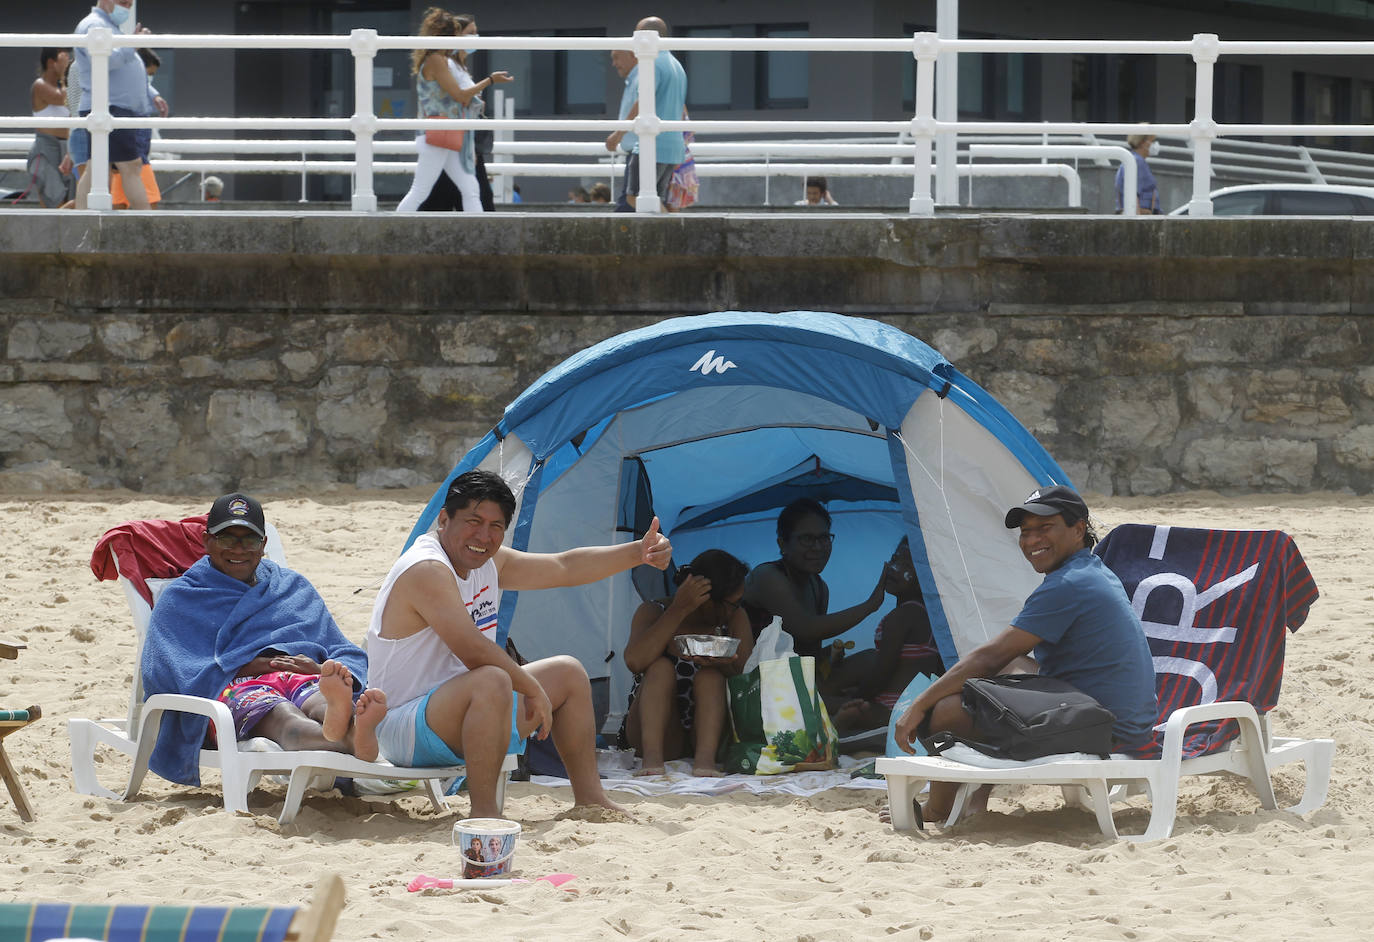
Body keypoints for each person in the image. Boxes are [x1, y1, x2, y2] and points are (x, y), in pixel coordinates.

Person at [366, 469, 672, 818]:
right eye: (473, 521)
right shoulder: (427, 569)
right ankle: (485, 815)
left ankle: (590, 800)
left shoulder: (487, 560)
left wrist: (639, 551)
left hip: (464, 709)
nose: (483, 535)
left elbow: (563, 567)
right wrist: (530, 687)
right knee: (492, 677)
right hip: (403, 727)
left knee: (568, 673)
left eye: (496, 526)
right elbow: (474, 650)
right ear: (444, 519)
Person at [890, 486, 1158, 825]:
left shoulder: (1068, 584)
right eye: (1026, 532)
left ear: (1078, 529)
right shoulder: (1089, 571)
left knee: (946, 710)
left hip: (1107, 728)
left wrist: (920, 705)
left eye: (1045, 529)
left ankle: (938, 810)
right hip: (1119, 715)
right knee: (1006, 673)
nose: (1032, 541)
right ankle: (977, 796)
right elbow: (1001, 659)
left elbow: (991, 654)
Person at [140, 493, 387, 787]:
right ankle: (354, 737)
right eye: (227, 539)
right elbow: (170, 668)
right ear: (207, 541)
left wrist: (322, 669)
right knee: (285, 718)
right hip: (235, 685)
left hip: (299, 675)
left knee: (320, 700)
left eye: (251, 540)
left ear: (264, 545)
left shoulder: (290, 586)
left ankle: (338, 716)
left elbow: (339, 646)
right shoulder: (182, 598)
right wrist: (252, 665)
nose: (239, 550)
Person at [618, 549, 754, 777]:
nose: (736, 608)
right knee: (660, 668)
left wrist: (721, 664)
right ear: (706, 600)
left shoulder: (734, 618)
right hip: (658, 732)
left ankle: (705, 761)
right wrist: (679, 609)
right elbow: (635, 660)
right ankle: (652, 761)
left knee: (710, 677)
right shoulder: (655, 611)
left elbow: (749, 678)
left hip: (711, 734)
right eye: (733, 603)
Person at [741, 498, 886, 664]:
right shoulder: (768, 576)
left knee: (870, 659)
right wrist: (870, 605)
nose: (818, 547)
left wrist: (828, 656)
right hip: (754, 683)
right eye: (807, 539)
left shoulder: (819, 588)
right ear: (782, 544)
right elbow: (806, 629)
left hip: (790, 680)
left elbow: (810, 652)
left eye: (824, 538)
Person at [396, 8, 513, 213]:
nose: (460, 39)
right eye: (457, 34)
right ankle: (392, 232)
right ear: (446, 35)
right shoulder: (437, 60)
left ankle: (478, 235)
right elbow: (459, 96)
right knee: (421, 191)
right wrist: (490, 80)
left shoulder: (438, 59)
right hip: (439, 133)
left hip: (445, 132)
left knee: (470, 188)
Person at [829, 537, 945, 735]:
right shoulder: (927, 614)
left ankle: (845, 722)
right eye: (895, 559)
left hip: (892, 709)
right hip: (911, 706)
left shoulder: (902, 616)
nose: (895, 568)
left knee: (823, 699)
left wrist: (858, 697)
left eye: (907, 565)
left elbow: (883, 670)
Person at [72, 0, 158, 210]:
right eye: (123, 2)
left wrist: (151, 94)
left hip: (111, 107)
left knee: (97, 168)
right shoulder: (94, 25)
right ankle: (145, 229)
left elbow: (121, 66)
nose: (127, 8)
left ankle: (81, 223)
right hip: (109, 107)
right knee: (130, 166)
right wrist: (133, 43)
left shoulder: (106, 26)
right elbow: (109, 61)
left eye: (129, 4)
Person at [605, 16, 687, 212]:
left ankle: (674, 235)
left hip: (652, 145)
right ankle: (672, 235)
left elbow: (644, 102)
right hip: (673, 144)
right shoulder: (677, 65)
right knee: (657, 201)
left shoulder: (653, 62)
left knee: (634, 197)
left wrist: (619, 133)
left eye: (638, 35)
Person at [27, 48, 74, 208]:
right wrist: (64, 75)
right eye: (64, 56)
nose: (68, 59)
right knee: (53, 203)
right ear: (51, 62)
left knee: (71, 201)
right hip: (47, 149)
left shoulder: (64, 85)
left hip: (67, 149)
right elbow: (62, 99)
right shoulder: (40, 85)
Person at [1115, 133, 1160, 214]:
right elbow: (1133, 195)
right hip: (1141, 214)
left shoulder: (1133, 160)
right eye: (1152, 141)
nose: (1154, 144)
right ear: (1143, 143)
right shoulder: (1137, 162)